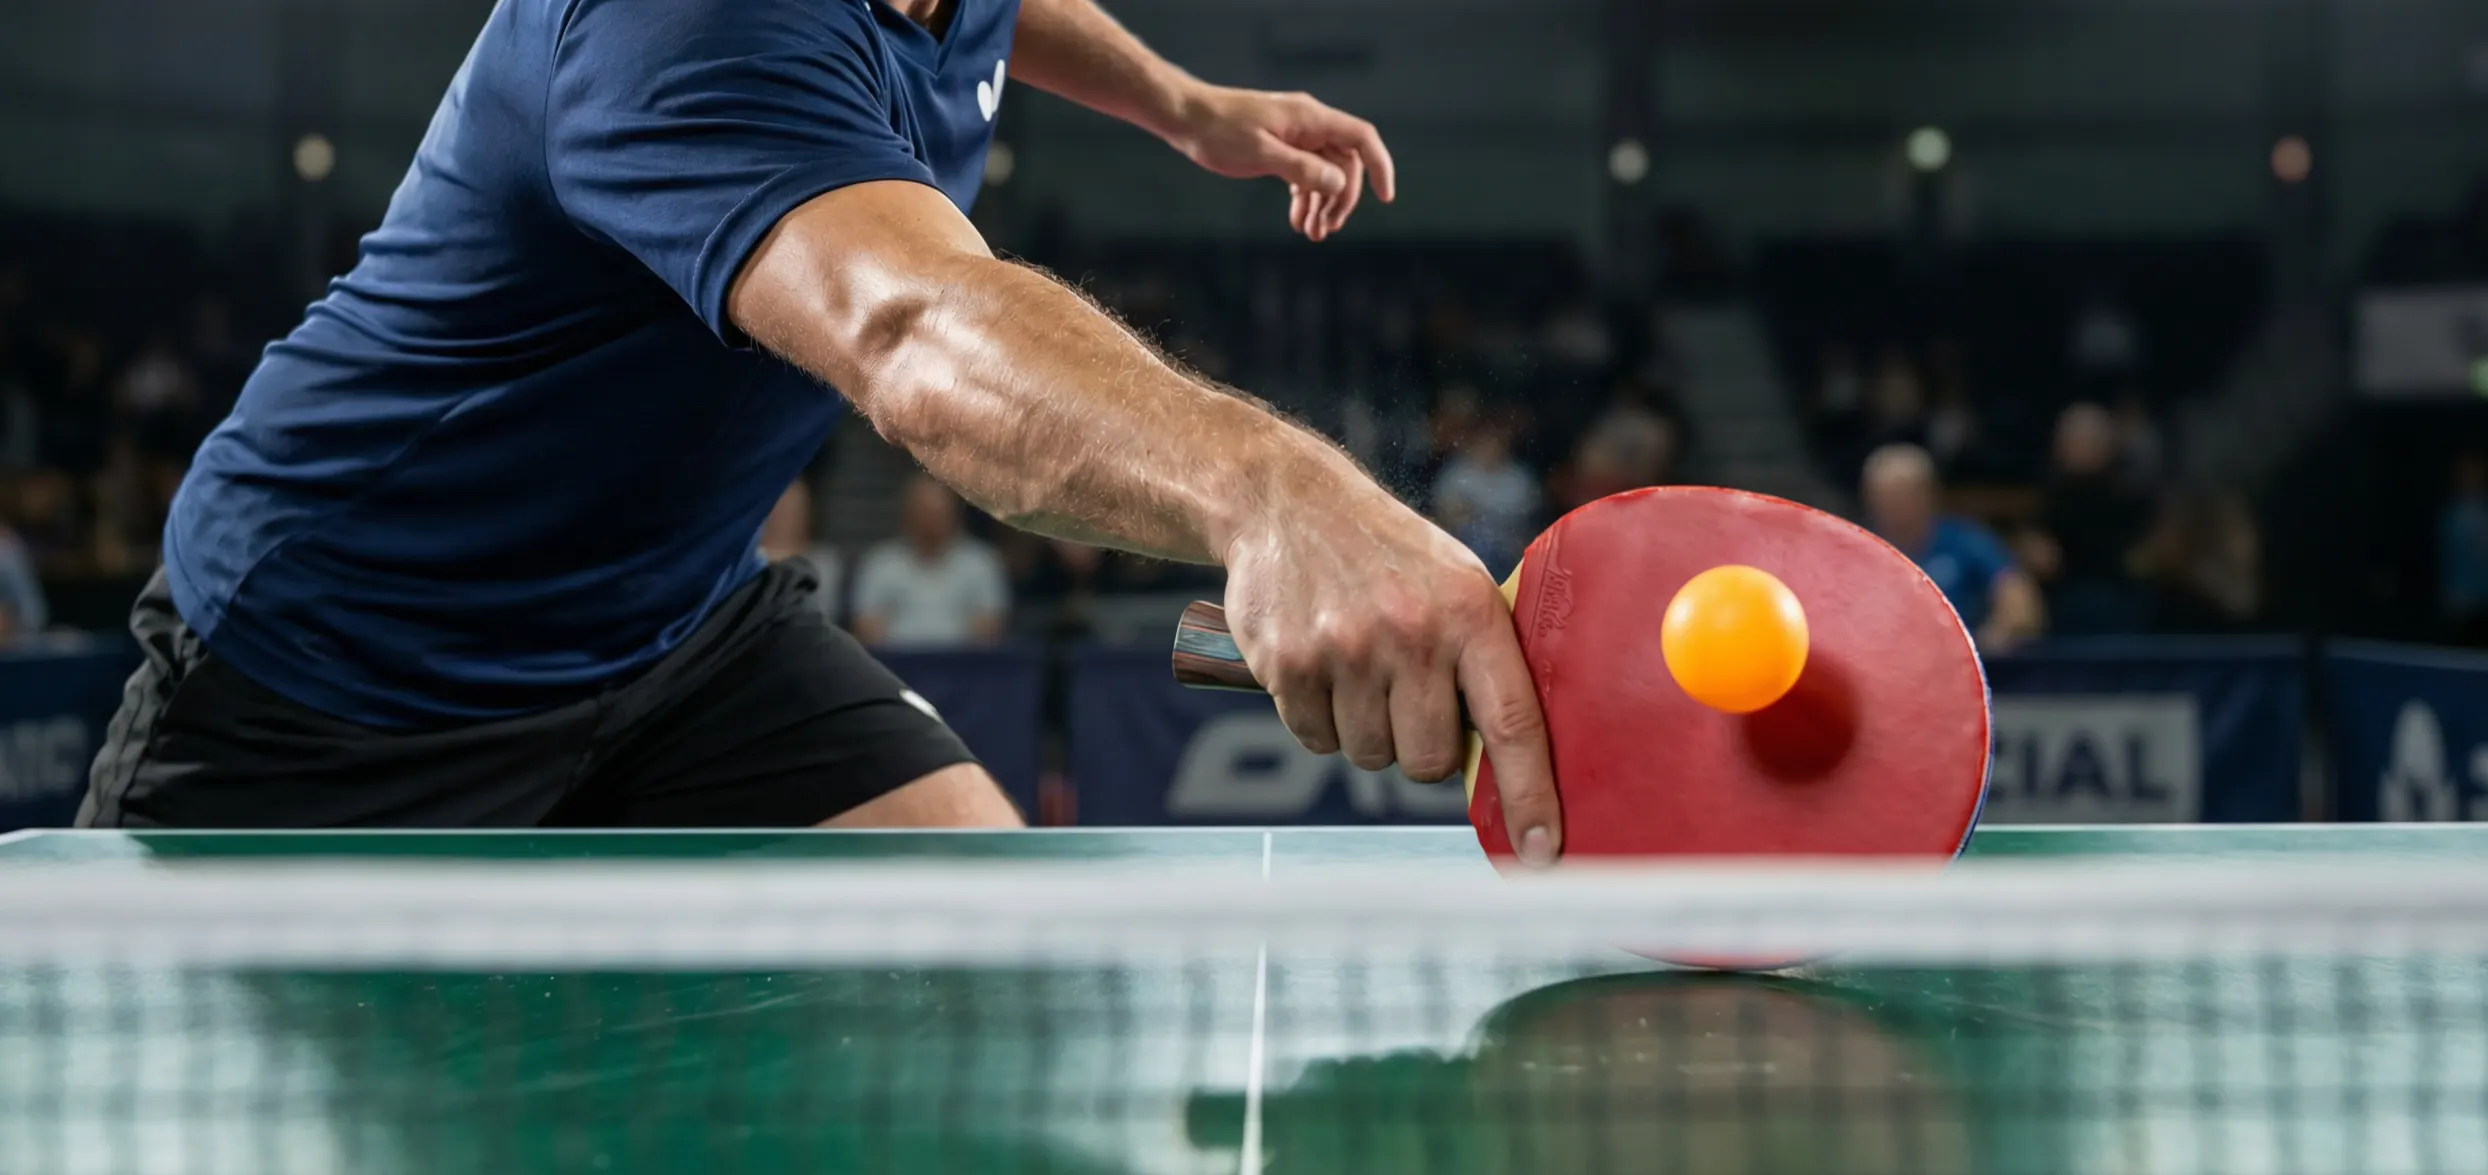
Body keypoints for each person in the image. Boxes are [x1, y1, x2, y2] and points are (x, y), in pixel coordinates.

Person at [78, 0, 1561, 859]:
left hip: (674, 629)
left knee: (988, 952)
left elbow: (997, 13)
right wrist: (1273, 491)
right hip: (342, 665)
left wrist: (1182, 106)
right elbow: (917, 332)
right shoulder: (686, 23)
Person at [1860, 444, 2044, 654]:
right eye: (1883, 496)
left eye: (1901, 494)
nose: (1891, 505)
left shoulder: (1966, 541)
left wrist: (1993, 639)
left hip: (1957, 666)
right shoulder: (1860, 551)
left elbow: (2020, 602)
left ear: (1928, 493)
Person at [851, 475, 1010, 647]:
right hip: (895, 664)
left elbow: (990, 626)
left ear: (953, 514)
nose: (932, 521)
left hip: (963, 666)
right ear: (908, 514)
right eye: (924, 512)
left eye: (938, 513)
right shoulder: (880, 562)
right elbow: (865, 626)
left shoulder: (982, 562)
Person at [759, 476, 843, 625]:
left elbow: (826, 613)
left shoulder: (825, 560)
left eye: (792, 509)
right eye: (779, 508)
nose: (784, 517)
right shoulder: (747, 560)